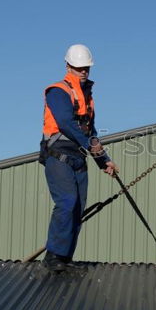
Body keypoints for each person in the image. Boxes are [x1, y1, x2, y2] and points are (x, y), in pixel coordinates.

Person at [40, 44, 119, 272]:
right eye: (78, 68)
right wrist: (91, 147)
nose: (83, 71)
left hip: (79, 159)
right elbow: (66, 124)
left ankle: (65, 258)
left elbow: (90, 133)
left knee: (78, 209)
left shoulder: (88, 98)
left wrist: (103, 160)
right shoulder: (58, 91)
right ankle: (53, 257)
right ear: (68, 66)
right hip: (59, 156)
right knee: (66, 203)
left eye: (86, 68)